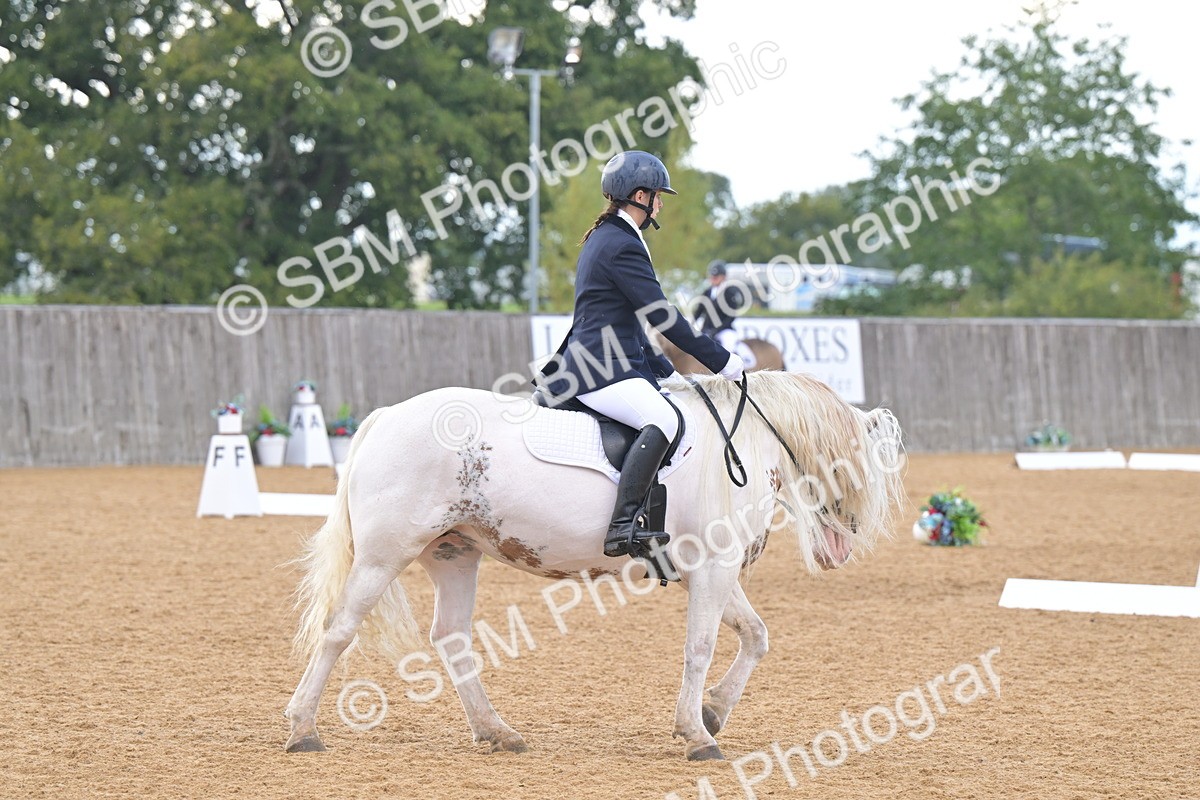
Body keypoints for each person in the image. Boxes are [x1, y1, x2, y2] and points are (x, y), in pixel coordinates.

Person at [538, 150, 745, 558]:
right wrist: (721, 361)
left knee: (667, 405)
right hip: (598, 369)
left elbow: (629, 322)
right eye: (656, 195)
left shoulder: (611, 236)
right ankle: (623, 525)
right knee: (665, 419)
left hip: (609, 360)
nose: (661, 203)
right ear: (638, 195)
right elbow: (663, 317)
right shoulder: (621, 243)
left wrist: (663, 369)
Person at [694, 261, 758, 371]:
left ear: (723, 277)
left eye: (716, 277)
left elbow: (731, 316)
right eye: (712, 276)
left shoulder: (730, 292)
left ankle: (736, 370)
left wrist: (717, 330)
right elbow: (698, 311)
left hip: (724, 330)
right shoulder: (707, 292)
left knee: (729, 346)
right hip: (707, 330)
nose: (713, 279)